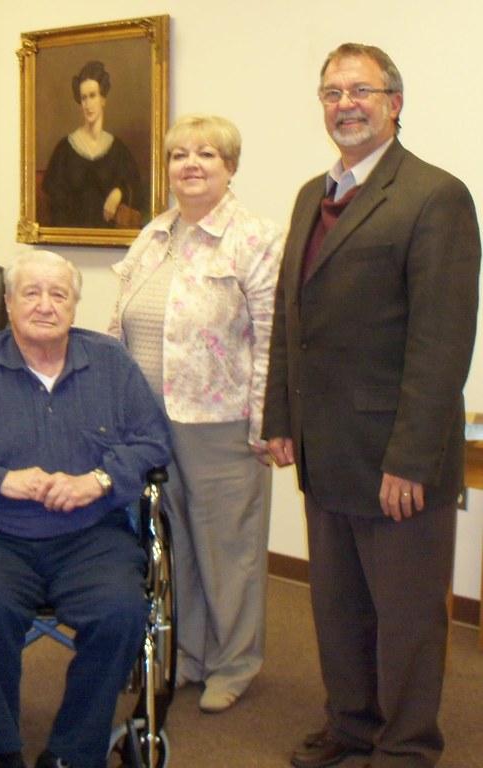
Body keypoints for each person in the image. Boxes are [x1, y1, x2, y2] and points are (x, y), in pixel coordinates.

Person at [262, 43, 481, 768]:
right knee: (338, 608)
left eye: (360, 89)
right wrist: (278, 419)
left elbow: (440, 345)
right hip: (325, 449)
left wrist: (411, 459)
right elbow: (290, 316)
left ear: (393, 103)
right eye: (330, 91)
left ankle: (405, 746)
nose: (343, 103)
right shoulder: (308, 195)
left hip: (396, 457)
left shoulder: (434, 195)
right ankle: (351, 727)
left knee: (407, 618)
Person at [0, 251, 171, 768]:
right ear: (7, 303)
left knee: (123, 612)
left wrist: (99, 481)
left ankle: (73, 750)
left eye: (58, 294)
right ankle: (5, 746)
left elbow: (154, 440)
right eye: (31, 293)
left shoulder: (111, 363)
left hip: (92, 536)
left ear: (74, 305)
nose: (45, 306)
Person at [109, 114, 285, 714]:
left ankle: (234, 662)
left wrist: (267, 423)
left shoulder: (255, 238)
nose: (190, 164)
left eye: (206, 154)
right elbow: (119, 321)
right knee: (175, 541)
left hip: (220, 422)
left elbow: (270, 338)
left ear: (229, 166)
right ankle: (187, 653)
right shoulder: (154, 234)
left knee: (228, 550)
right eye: (179, 154)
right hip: (152, 421)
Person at [42, 60, 143, 228]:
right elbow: (53, 204)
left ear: (103, 99)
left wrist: (119, 193)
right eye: (83, 98)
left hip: (111, 244)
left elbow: (137, 192)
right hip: (71, 240)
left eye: (93, 96)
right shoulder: (64, 150)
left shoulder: (118, 150)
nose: (88, 105)